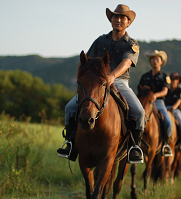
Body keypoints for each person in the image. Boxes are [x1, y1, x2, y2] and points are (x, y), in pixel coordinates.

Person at [57, 4, 146, 164]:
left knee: (139, 112)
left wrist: (112, 75)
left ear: (128, 22)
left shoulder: (131, 43)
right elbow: (88, 61)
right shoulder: (100, 41)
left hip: (119, 81)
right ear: (111, 20)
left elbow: (127, 62)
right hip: (97, 83)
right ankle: (70, 143)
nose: (117, 20)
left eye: (122, 18)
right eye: (115, 17)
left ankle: (134, 147)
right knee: (70, 108)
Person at [138, 50, 173, 156]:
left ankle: (165, 144)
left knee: (168, 122)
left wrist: (155, 95)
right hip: (144, 102)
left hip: (158, 102)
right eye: (152, 59)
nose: (154, 61)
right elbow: (140, 89)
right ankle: (132, 145)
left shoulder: (165, 77)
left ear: (161, 62)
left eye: (157, 59)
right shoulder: (145, 76)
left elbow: (165, 91)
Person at [164, 72, 181, 153]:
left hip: (175, 110)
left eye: (175, 80)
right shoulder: (167, 90)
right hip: (165, 108)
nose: (173, 81)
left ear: (178, 81)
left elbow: (179, 101)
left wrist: (173, 108)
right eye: (172, 79)